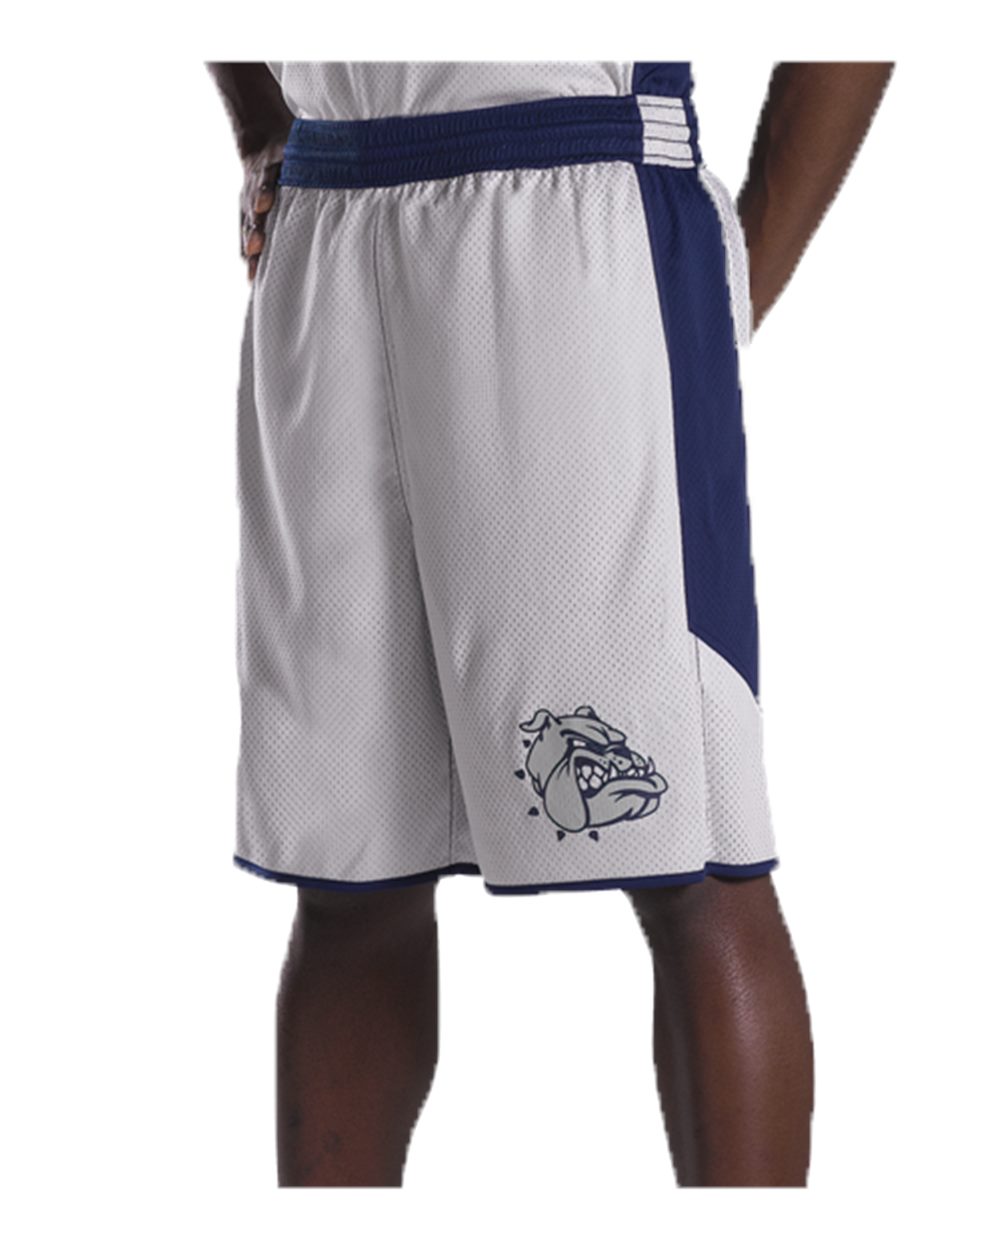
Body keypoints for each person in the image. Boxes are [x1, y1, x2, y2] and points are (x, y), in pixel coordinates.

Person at [207, 60, 893, 1188]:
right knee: (349, 877)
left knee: (693, 863)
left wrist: (735, 273)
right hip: (331, 218)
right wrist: (259, 124)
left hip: (573, 191)